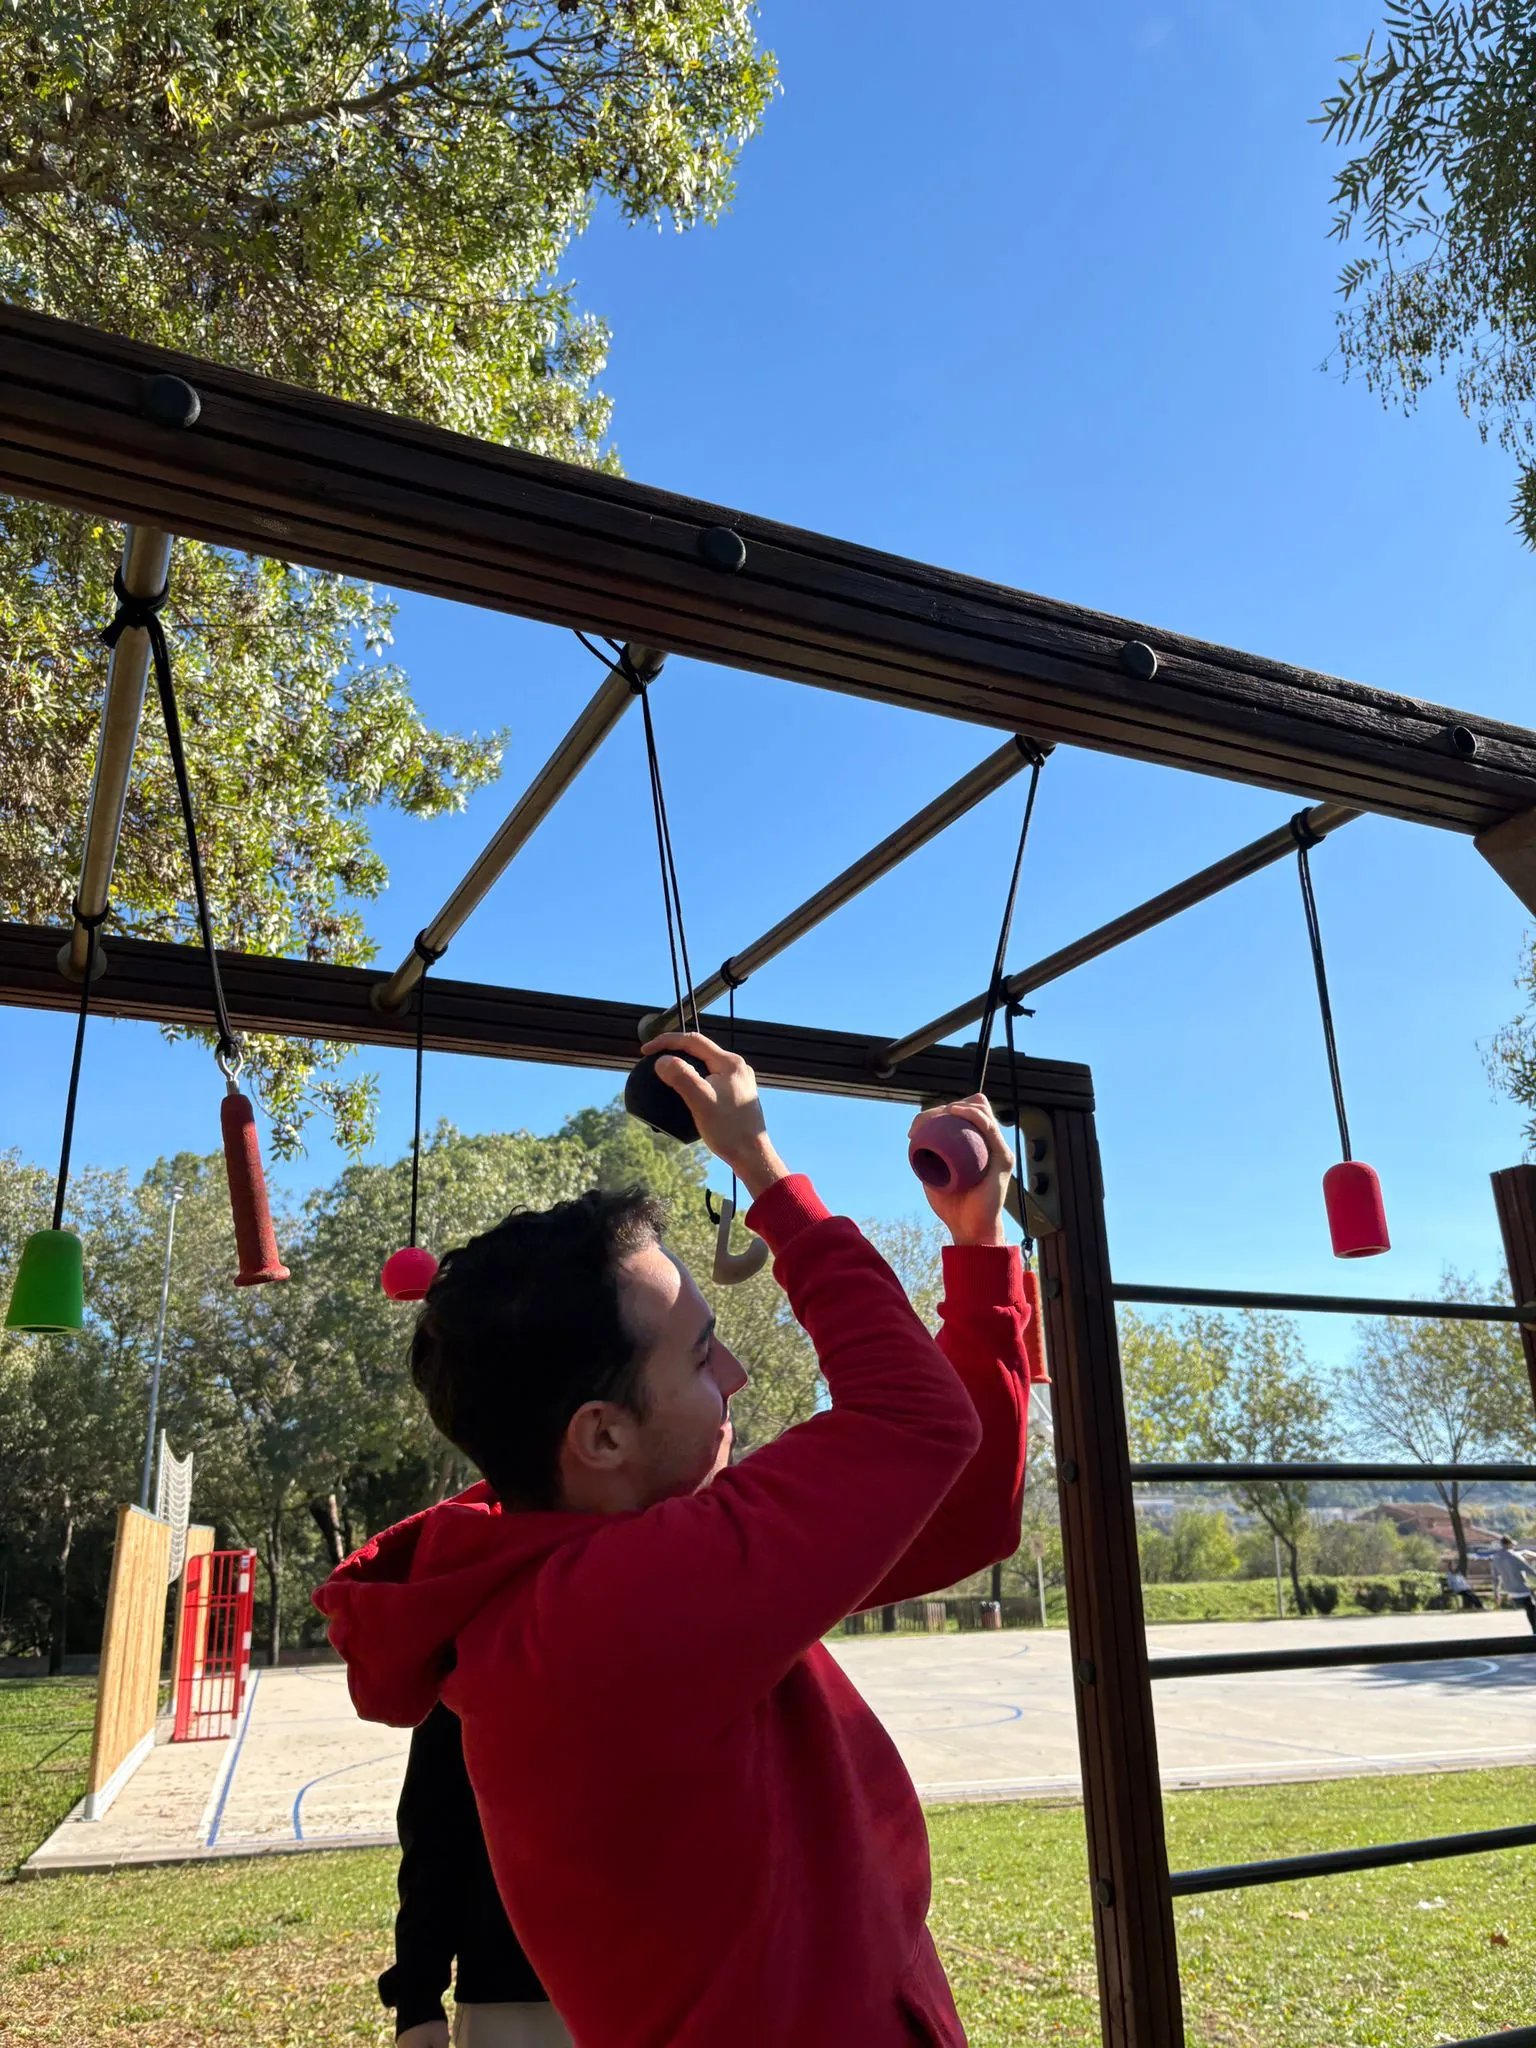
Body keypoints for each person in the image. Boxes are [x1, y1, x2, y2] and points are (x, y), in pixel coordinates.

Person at [315, 1032, 1032, 2047]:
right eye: (700, 1356)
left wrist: (979, 1243)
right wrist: (761, 1166)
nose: (734, 1373)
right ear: (601, 1436)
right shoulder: (603, 1617)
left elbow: (963, 1508)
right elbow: (916, 1421)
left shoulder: (629, 1568)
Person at [384, 1700, 571, 2048]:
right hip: (511, 1995)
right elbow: (435, 1830)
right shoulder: (470, 1673)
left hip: (652, 1986)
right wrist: (418, 1998)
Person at [1487, 1535, 1536, 1633]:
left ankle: (1534, 1630)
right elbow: (1530, 1571)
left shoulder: (1496, 1558)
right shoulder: (1515, 1556)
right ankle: (1535, 1630)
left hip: (1510, 1591)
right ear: (1509, 1544)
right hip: (1522, 1590)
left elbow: (1495, 1578)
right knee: (1532, 1609)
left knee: (1530, 1608)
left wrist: (1496, 1593)